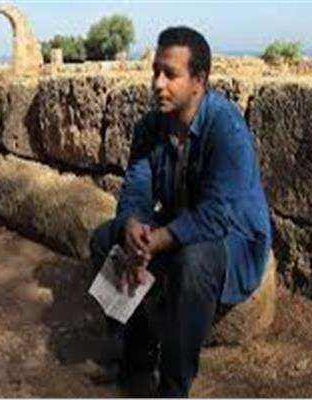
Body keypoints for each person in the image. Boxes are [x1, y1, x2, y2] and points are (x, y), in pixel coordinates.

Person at [89, 26, 272, 397]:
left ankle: (173, 387)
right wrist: (134, 227)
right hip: (178, 223)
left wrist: (158, 240)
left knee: (194, 261)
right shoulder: (150, 126)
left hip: (233, 237)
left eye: (170, 74)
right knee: (106, 238)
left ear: (198, 81)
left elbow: (219, 213)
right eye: (155, 71)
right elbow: (136, 189)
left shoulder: (226, 127)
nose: (158, 83)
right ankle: (136, 357)